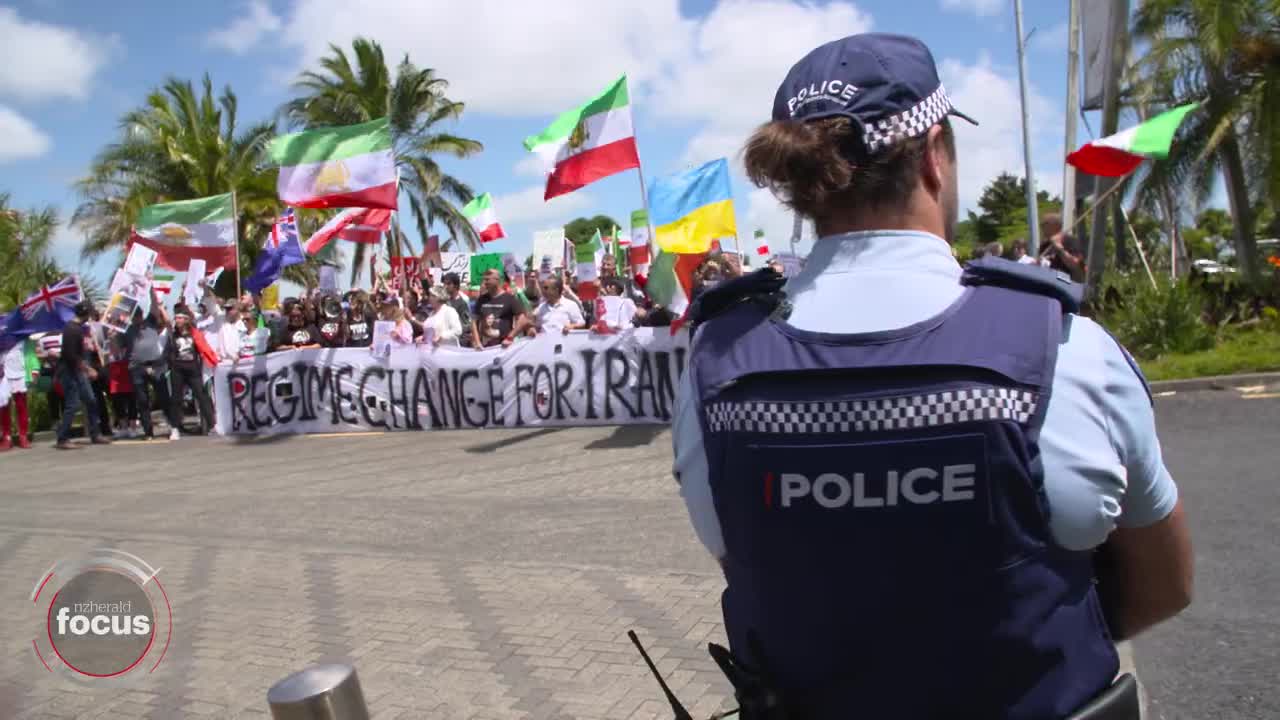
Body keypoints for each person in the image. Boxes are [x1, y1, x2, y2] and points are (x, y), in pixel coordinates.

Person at [674, 33, 1191, 720]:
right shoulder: (1067, 348)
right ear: (934, 155)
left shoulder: (716, 369)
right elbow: (1166, 583)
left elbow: (759, 572)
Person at [54, 301, 111, 450]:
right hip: (69, 371)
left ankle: (95, 433)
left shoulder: (79, 329)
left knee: (91, 400)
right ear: (85, 313)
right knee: (73, 404)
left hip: (78, 371)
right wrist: (88, 369)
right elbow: (70, 355)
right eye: (89, 313)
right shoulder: (72, 330)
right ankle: (63, 438)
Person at [124, 288, 179, 440]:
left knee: (163, 397)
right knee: (142, 400)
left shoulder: (150, 322)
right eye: (133, 316)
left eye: (138, 315)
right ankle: (148, 431)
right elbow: (118, 348)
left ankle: (173, 426)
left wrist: (150, 288)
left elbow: (154, 306)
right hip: (136, 367)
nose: (136, 318)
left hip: (156, 365)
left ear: (142, 315)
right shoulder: (127, 330)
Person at [166, 308, 217, 435]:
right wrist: (160, 305)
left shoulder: (194, 333)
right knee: (176, 398)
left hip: (193, 369)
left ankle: (212, 425)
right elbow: (166, 320)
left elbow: (203, 348)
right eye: (176, 318)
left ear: (186, 320)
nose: (177, 320)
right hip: (177, 370)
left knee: (202, 396)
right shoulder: (173, 334)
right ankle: (175, 427)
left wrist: (213, 361)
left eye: (180, 318)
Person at [471, 269, 527, 349]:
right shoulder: (481, 300)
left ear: (497, 280)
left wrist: (510, 337)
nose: (485, 282)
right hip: (485, 348)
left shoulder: (510, 299)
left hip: (504, 348)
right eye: (484, 279)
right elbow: (474, 321)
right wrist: (477, 342)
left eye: (487, 279)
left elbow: (522, 320)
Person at [0, 339, 33, 450]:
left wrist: (34, 370)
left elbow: (30, 355)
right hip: (3, 375)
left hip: (20, 374)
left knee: (21, 406)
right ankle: (6, 437)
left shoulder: (23, 336)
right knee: (4, 408)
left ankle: (23, 436)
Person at [1039, 212, 1087, 282]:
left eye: (1044, 224)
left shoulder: (1070, 241)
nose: (1041, 227)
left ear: (1055, 225)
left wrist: (1059, 249)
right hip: (1048, 282)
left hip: (1068, 283)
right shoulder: (1044, 245)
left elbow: (1075, 265)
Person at [441, 273, 473, 347]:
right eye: (444, 284)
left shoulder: (462, 304)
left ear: (455, 285)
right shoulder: (444, 301)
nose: (445, 286)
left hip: (457, 343)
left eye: (448, 284)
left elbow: (467, 325)